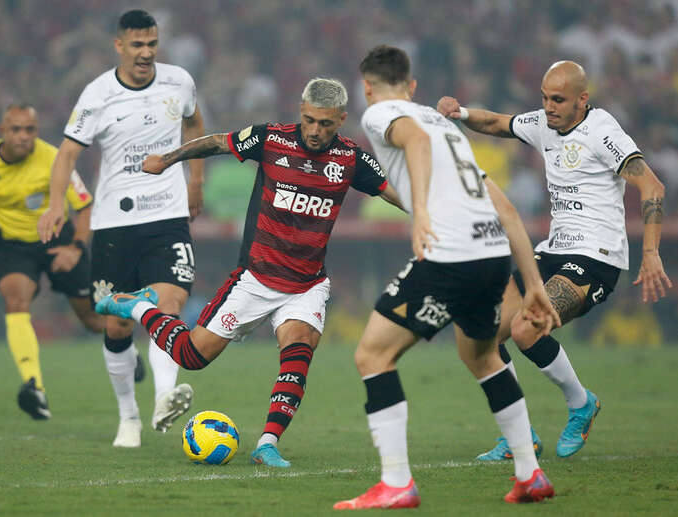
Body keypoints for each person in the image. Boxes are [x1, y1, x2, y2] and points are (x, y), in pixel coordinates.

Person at [95, 77, 403, 467]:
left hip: (306, 284)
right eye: (308, 119)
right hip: (255, 278)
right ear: (300, 110)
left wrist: (433, 214)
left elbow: (394, 191)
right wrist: (167, 160)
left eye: (325, 123)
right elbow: (217, 141)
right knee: (191, 356)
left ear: (341, 119)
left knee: (298, 350)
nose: (314, 130)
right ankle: (138, 307)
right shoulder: (272, 139)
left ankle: (267, 443)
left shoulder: (351, 159)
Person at [333, 45, 562, 510]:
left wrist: (419, 215)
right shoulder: (446, 129)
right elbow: (506, 207)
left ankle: (396, 483)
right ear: (414, 85)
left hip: (450, 255)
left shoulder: (381, 115)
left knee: (372, 355)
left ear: (367, 88)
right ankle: (530, 474)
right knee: (480, 355)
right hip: (492, 255)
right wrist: (533, 283)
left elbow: (412, 141)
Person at [436, 60, 672, 460]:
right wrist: (459, 113)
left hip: (597, 258)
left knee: (528, 327)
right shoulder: (546, 123)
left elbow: (652, 185)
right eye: (544, 98)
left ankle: (581, 404)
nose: (549, 106)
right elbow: (498, 124)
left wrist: (650, 253)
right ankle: (519, 435)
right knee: (482, 335)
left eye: (558, 99)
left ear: (583, 98)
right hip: (552, 251)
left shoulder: (602, 131)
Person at [37, 10, 205, 448]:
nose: (146, 52)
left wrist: (197, 181)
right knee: (115, 326)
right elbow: (66, 155)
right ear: (119, 46)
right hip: (114, 223)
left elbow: (194, 123)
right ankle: (127, 417)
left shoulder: (179, 82)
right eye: (137, 45)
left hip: (167, 215)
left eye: (152, 43)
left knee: (169, 305)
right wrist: (57, 204)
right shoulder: (97, 95)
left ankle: (165, 398)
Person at [0, 102, 104, 420]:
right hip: (14, 245)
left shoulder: (54, 159)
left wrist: (75, 248)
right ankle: (34, 386)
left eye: (30, 130)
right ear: (2, 132)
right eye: (16, 129)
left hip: (59, 240)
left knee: (92, 321)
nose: (23, 136)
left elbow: (85, 206)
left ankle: (124, 349)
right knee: (15, 301)